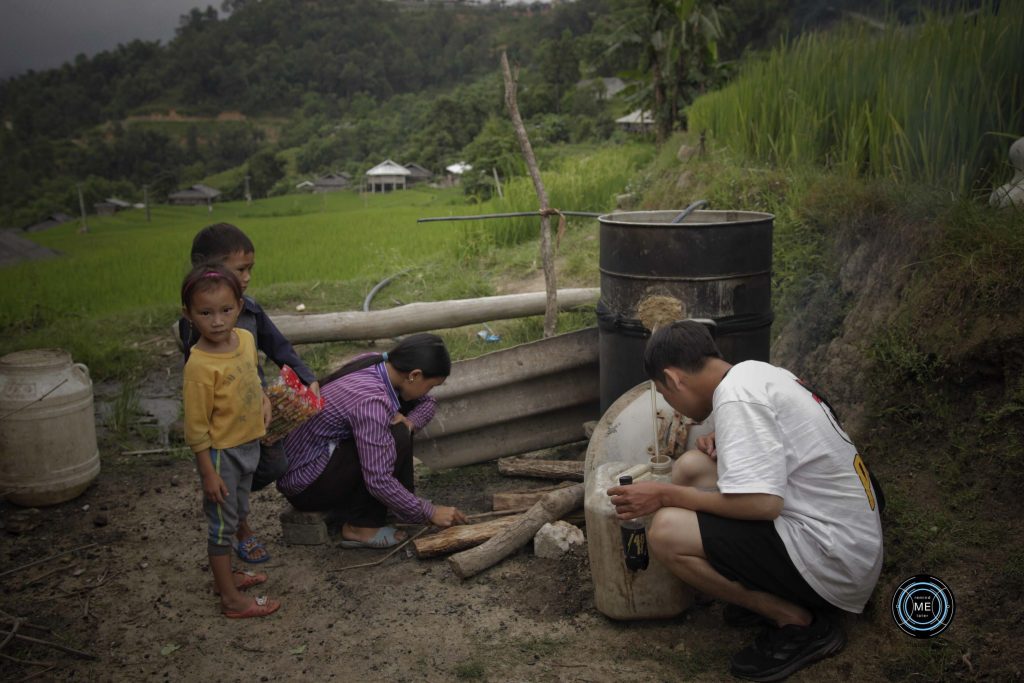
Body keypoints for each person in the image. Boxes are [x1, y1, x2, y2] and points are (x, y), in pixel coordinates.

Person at [608, 321, 882, 682]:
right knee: (691, 467)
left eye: (665, 393)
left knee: (666, 531)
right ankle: (763, 583)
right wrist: (728, 442)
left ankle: (796, 621)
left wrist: (663, 494)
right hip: (847, 532)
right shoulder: (755, 374)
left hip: (836, 560)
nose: (673, 405)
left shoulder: (737, 398)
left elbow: (762, 505)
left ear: (674, 379)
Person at [177, 222, 319, 564]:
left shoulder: (249, 308)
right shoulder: (197, 323)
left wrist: (305, 376)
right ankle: (239, 527)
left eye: (249, 269)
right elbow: (198, 380)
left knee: (273, 464)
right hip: (223, 420)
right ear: (204, 266)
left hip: (256, 408)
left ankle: (227, 497)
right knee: (231, 474)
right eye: (240, 269)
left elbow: (277, 345)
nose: (247, 276)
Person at [277, 333, 467, 547]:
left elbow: (427, 403)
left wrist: (410, 423)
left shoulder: (379, 362)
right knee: (396, 437)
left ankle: (401, 504)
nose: (430, 391)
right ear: (414, 374)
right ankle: (360, 526)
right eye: (431, 385)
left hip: (318, 461)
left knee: (401, 428)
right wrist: (429, 512)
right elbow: (378, 480)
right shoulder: (372, 401)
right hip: (307, 485)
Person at [180, 263, 280, 618]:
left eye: (225, 310)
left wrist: (264, 398)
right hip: (222, 455)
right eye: (205, 313)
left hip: (248, 445)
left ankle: (228, 578)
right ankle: (231, 601)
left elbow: (252, 376)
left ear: (240, 306)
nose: (218, 321)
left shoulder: (247, 339)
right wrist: (208, 473)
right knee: (222, 526)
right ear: (189, 315)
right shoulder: (199, 366)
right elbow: (195, 428)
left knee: (237, 511)